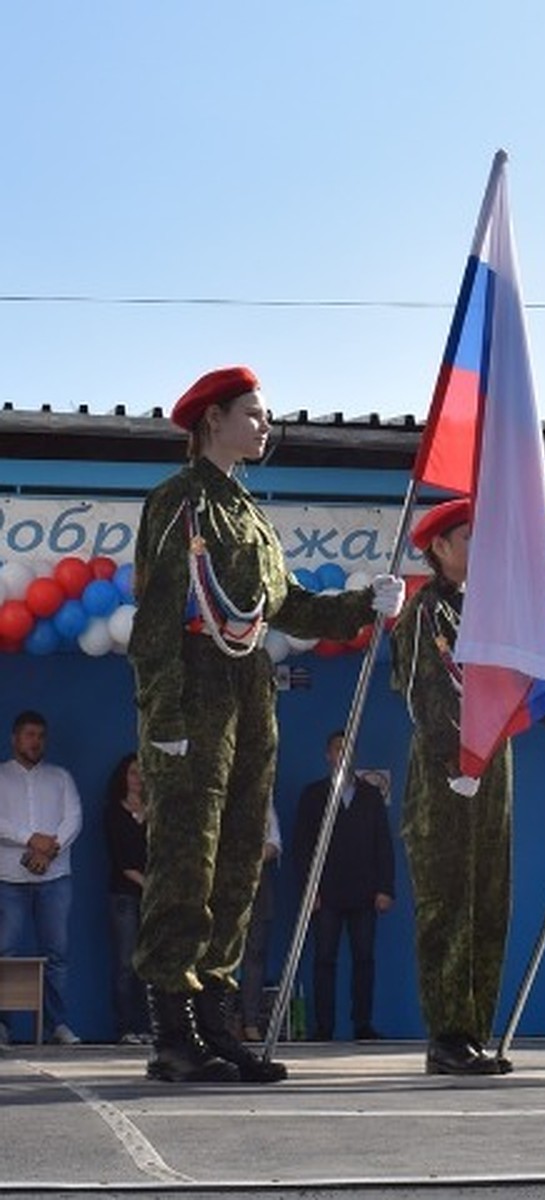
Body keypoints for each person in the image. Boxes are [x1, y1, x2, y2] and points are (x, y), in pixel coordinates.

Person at [126, 365, 406, 1084]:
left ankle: (217, 1023)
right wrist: (164, 719)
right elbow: (156, 621)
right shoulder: (178, 502)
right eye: (252, 413)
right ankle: (173, 1033)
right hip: (193, 699)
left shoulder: (249, 515)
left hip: (250, 697)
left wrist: (363, 605)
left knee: (237, 863)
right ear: (212, 419)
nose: (264, 425)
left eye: (264, 413)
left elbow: (289, 608)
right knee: (186, 863)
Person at [391, 500, 545, 1076]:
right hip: (448, 776)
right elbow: (427, 695)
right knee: (448, 906)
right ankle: (447, 1036)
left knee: (489, 905)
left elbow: (525, 687)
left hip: (493, 770)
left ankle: (475, 1031)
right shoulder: (426, 613)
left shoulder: (488, 612)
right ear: (440, 548)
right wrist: (456, 762)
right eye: (470, 538)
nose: (483, 550)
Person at [294, 731, 395, 1042]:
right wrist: (309, 891)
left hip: (365, 892)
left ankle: (362, 1024)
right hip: (327, 893)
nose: (344, 754)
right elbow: (302, 847)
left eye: (349, 748)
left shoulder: (370, 796)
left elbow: (383, 845)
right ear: (328, 754)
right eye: (339, 748)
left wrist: (385, 888)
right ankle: (324, 1027)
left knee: (364, 960)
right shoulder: (313, 795)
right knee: (324, 960)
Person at [0, 710, 83, 1046]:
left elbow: (74, 818)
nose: (36, 742)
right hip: (9, 879)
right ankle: (1, 1025)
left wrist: (51, 849)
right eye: (29, 735)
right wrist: (30, 838)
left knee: (57, 954)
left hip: (55, 878)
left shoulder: (60, 777)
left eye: (40, 736)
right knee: (5, 951)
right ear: (14, 739)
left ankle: (57, 1025)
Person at [103, 752, 150, 1044]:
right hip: (125, 895)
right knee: (125, 963)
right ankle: (125, 1027)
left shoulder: (156, 810)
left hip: (152, 897)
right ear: (124, 777)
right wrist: (146, 883)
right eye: (134, 773)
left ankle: (148, 1026)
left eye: (143, 773)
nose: (138, 779)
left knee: (148, 966)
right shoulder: (113, 812)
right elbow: (120, 859)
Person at [238, 801, 281, 1042]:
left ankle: (250, 1022)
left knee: (255, 953)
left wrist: (249, 859)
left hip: (257, 882)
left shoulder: (262, 800)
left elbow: (274, 844)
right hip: (220, 884)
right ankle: (218, 1021)